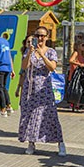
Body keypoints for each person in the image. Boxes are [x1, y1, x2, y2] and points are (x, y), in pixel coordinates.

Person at [18, 26, 65, 156]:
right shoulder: (29, 50)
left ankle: (60, 142)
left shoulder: (50, 52)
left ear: (47, 37)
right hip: (30, 87)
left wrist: (42, 55)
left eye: (42, 36)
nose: (40, 38)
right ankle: (31, 142)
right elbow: (24, 67)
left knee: (49, 115)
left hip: (44, 88)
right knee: (29, 115)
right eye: (37, 35)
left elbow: (52, 67)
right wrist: (31, 52)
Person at [15, 35, 34, 99]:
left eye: (32, 41)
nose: (30, 43)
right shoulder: (25, 55)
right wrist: (18, 88)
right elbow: (22, 72)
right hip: (27, 83)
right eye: (28, 42)